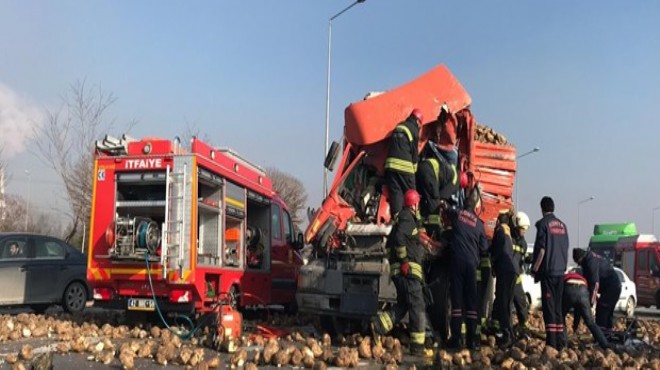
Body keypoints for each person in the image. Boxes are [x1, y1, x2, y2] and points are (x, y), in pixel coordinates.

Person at [371, 189, 433, 357]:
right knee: (417, 306)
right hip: (408, 272)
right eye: (417, 203)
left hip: (401, 272)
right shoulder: (406, 218)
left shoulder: (408, 219)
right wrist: (404, 261)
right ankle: (418, 347)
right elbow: (399, 238)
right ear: (414, 204)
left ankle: (378, 326)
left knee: (403, 305)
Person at [446, 188, 489, 350]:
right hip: (471, 265)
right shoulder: (479, 224)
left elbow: (448, 212)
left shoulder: (458, 215)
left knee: (456, 302)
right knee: (471, 303)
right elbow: (484, 247)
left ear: (464, 204)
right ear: (476, 206)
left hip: (456, 263)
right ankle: (473, 340)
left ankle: (456, 339)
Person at [531, 196, 569, 349]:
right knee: (558, 307)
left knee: (549, 308)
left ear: (542, 208)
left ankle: (551, 342)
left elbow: (541, 250)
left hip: (548, 272)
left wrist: (535, 269)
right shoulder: (563, 226)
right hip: (560, 272)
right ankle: (560, 341)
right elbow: (565, 249)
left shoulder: (543, 224)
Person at [572, 248, 622, 332]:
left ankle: (602, 336)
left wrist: (591, 302)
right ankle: (608, 335)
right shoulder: (589, 259)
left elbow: (595, 283)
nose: (579, 265)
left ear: (580, 259)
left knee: (602, 311)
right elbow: (588, 283)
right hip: (614, 286)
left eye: (578, 262)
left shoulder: (590, 263)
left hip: (611, 288)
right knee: (608, 314)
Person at [385, 109, 422, 217]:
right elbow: (415, 153)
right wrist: (415, 170)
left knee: (396, 193)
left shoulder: (399, 126)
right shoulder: (414, 130)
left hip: (390, 165)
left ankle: (397, 218)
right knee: (412, 194)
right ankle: (416, 219)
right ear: (418, 121)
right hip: (405, 167)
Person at [562, 270, 611, 349]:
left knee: (561, 317)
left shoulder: (565, 276)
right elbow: (578, 310)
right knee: (590, 322)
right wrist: (575, 326)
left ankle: (564, 344)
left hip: (569, 288)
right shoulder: (582, 278)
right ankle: (605, 344)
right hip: (583, 291)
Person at [490, 210, 518, 347]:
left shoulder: (500, 232)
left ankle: (506, 334)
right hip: (511, 271)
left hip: (505, 271)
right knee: (506, 303)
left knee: (503, 301)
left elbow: (498, 250)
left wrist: (492, 260)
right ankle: (510, 333)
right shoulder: (508, 233)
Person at [511, 211, 531, 334]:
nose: (524, 231)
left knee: (521, 302)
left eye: (526, 229)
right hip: (507, 277)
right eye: (523, 229)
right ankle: (505, 328)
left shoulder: (522, 242)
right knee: (505, 304)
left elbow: (523, 256)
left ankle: (524, 324)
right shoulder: (509, 238)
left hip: (516, 277)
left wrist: (529, 258)